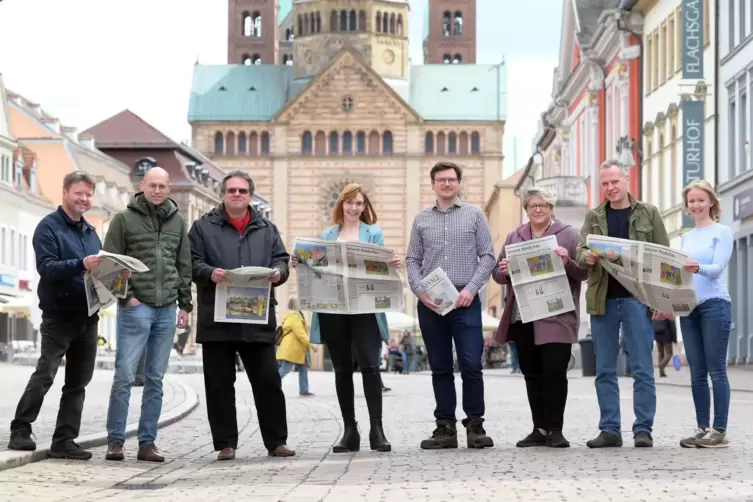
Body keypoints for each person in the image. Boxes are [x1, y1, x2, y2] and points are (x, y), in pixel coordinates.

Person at [189, 170, 294, 461]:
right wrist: (211, 273)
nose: (237, 195)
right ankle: (225, 444)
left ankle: (276, 442)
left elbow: (282, 260)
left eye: (242, 191)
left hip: (257, 320)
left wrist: (278, 274)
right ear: (223, 194)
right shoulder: (202, 227)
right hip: (216, 319)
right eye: (232, 190)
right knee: (219, 385)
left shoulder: (267, 228)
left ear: (250, 195)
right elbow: (190, 263)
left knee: (269, 382)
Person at [7, 172, 104, 460]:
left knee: (78, 383)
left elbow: (94, 273)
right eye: (79, 193)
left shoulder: (91, 233)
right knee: (45, 374)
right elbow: (47, 269)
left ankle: (65, 439)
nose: (84, 199)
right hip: (58, 316)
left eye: (88, 194)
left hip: (88, 316)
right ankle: (20, 429)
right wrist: (81, 263)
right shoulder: (48, 227)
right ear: (65, 193)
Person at [577, 160, 671, 449]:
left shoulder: (648, 213)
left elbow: (663, 256)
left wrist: (661, 299)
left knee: (642, 368)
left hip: (637, 299)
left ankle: (643, 429)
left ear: (626, 180)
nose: (610, 187)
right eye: (605, 183)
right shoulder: (594, 216)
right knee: (604, 369)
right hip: (603, 298)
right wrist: (586, 257)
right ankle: (610, 430)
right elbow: (580, 250)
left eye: (614, 181)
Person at [299, 182, 397, 453]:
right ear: (341, 204)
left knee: (370, 366)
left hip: (365, 309)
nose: (354, 207)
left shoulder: (373, 234)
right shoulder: (328, 234)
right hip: (334, 309)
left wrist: (389, 264)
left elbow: (379, 270)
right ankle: (349, 430)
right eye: (349, 202)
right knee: (341, 370)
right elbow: (318, 269)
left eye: (359, 203)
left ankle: (377, 430)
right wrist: (302, 263)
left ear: (365, 207)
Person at [103, 167, 193, 463]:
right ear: (142, 186)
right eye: (152, 185)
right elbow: (109, 263)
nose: (157, 190)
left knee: (155, 378)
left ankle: (147, 443)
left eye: (162, 186)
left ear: (168, 189)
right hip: (136, 307)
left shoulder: (178, 222)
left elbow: (183, 266)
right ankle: (115, 441)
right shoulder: (123, 220)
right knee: (125, 376)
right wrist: (126, 297)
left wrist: (185, 305)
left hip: (167, 309)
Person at [406, 161, 496, 450]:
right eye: (441, 180)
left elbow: (487, 256)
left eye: (452, 179)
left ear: (459, 184)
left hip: (465, 300)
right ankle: (445, 428)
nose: (447, 184)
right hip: (431, 303)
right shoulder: (421, 219)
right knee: (440, 367)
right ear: (433, 184)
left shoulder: (474, 215)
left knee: (471, 364)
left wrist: (471, 289)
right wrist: (420, 292)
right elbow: (412, 260)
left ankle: (475, 426)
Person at [493, 187, 588, 448]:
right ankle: (539, 428)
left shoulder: (568, 234)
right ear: (526, 209)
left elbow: (584, 272)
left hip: (556, 313)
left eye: (543, 204)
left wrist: (568, 261)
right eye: (533, 205)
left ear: (551, 207)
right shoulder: (515, 236)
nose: (538, 209)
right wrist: (504, 271)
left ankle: (556, 429)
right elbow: (498, 274)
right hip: (522, 316)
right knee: (532, 373)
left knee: (555, 371)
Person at [678, 180, 733, 448]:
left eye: (701, 200)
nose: (696, 205)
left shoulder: (722, 232)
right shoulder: (686, 237)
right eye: (691, 201)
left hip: (714, 305)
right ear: (687, 206)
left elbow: (717, 267)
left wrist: (696, 267)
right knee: (696, 372)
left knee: (716, 370)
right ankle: (702, 429)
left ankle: (719, 430)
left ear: (711, 202)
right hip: (689, 307)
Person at [277, 296, 315, 396]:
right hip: (292, 349)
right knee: (285, 369)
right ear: (296, 304)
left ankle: (304, 390)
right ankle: (271, 384)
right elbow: (301, 333)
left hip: (296, 349)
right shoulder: (295, 317)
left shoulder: (289, 316)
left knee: (303, 368)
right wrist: (311, 345)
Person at [653, 312, 676, 378]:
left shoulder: (656, 311)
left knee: (661, 353)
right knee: (669, 353)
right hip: (667, 336)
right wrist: (674, 338)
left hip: (657, 335)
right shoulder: (668, 311)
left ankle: (661, 372)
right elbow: (672, 325)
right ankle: (661, 365)